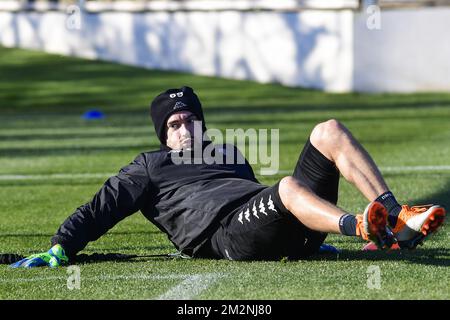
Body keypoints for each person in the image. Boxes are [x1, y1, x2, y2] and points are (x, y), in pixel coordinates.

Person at [11, 86, 446, 268]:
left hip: (271, 225)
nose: (184, 127)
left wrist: (304, 228)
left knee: (327, 130)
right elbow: (100, 208)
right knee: (286, 188)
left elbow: (265, 205)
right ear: (163, 134)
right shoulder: (149, 166)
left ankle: (394, 217)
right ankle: (359, 225)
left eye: (189, 119)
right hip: (224, 236)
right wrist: (61, 247)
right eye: (174, 124)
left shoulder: (229, 154)